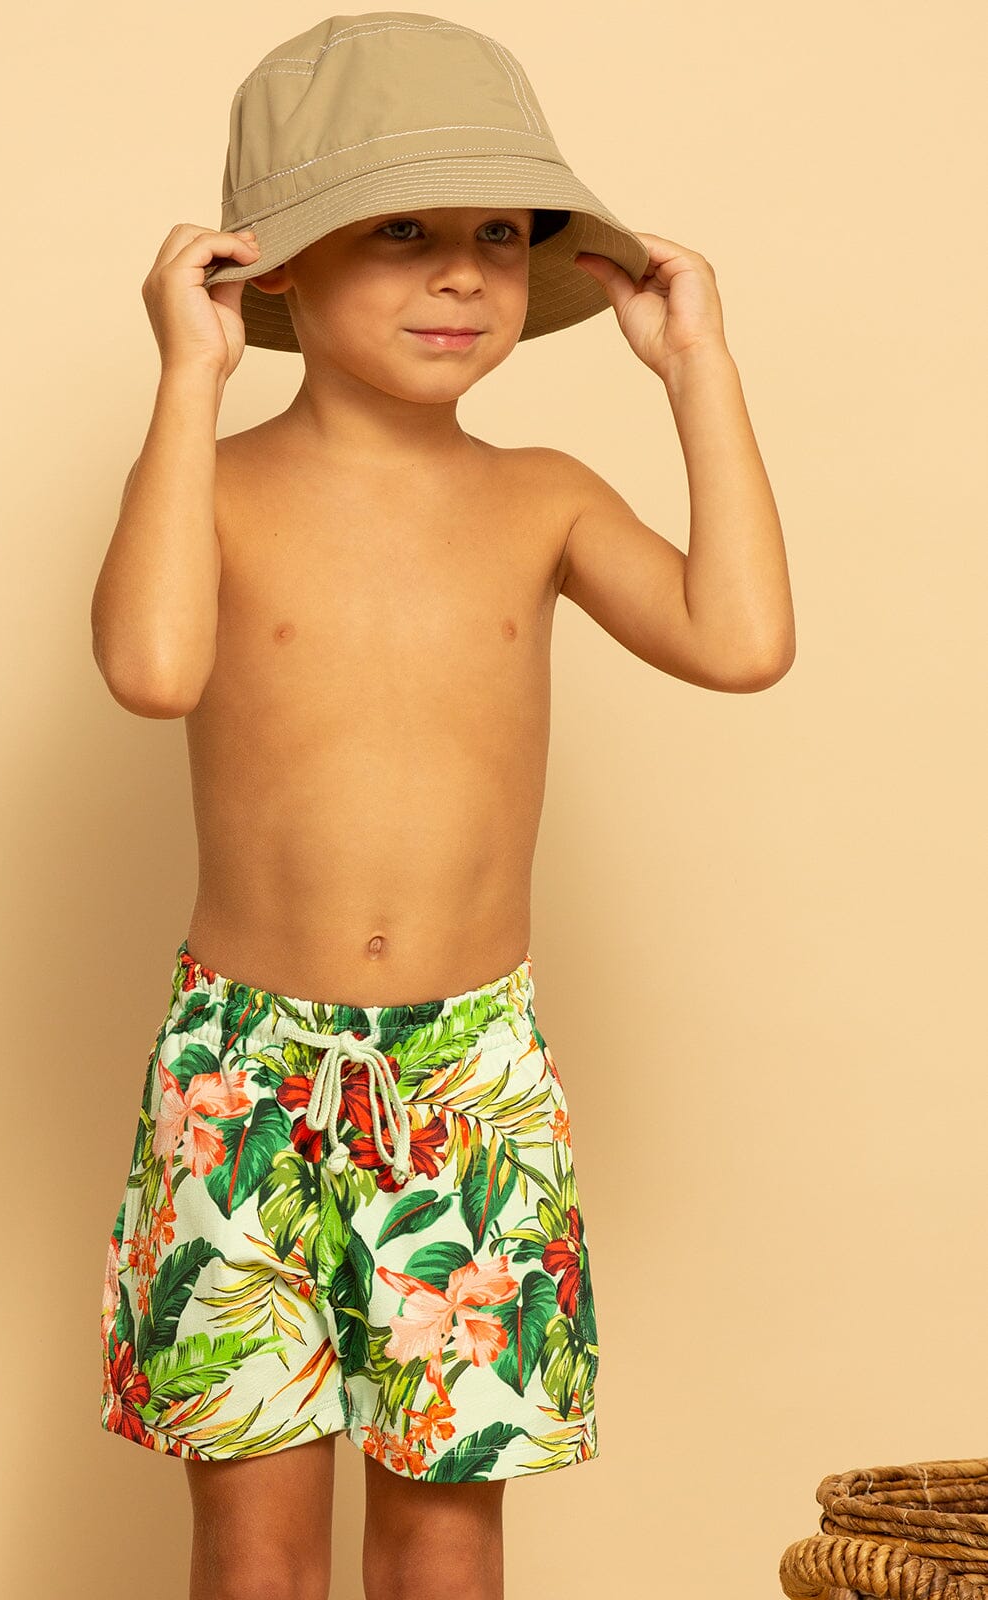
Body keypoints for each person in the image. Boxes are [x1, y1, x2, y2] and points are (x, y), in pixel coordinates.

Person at [92, 13, 795, 1600]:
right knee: (255, 1555)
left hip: (469, 1077)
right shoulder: (216, 489)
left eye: (498, 236)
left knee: (444, 1540)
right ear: (273, 266)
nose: (465, 277)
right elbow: (149, 667)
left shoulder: (539, 494)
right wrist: (188, 382)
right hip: (243, 1071)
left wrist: (697, 367)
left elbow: (740, 640)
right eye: (401, 232)